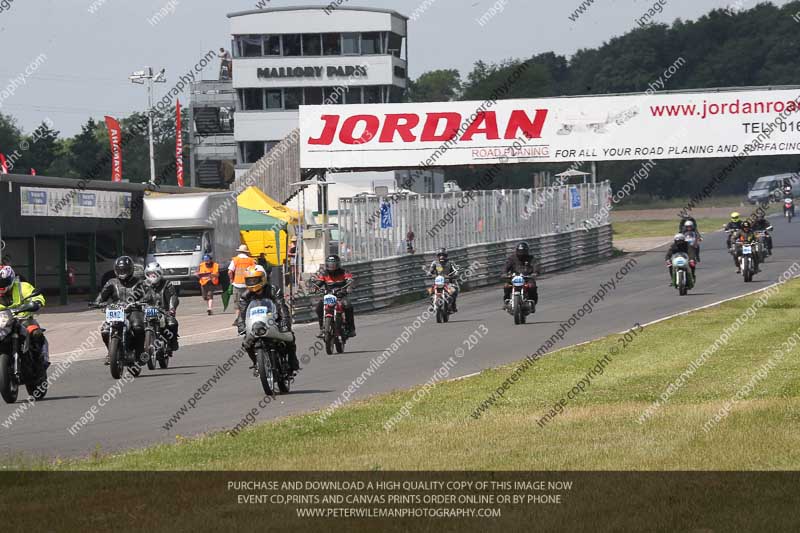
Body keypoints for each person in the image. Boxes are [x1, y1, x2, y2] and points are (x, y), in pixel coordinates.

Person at [236, 265, 299, 375]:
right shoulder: (245, 296)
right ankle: (256, 363)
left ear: (263, 278)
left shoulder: (274, 290)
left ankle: (292, 361)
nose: (252, 282)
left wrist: (285, 320)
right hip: (256, 323)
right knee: (247, 343)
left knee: (290, 337)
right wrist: (241, 325)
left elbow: (281, 306)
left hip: (274, 320)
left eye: (255, 280)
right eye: (249, 280)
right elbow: (242, 313)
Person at [92, 256, 148, 365]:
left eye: (125, 270)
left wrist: (142, 302)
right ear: (116, 270)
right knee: (105, 330)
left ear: (131, 269)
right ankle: (111, 353)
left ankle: (140, 353)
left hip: (133, 310)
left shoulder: (139, 282)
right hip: (116, 310)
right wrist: (98, 302)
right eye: (120, 270)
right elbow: (101, 296)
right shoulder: (112, 282)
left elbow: (147, 295)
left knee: (138, 327)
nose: (123, 272)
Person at [0, 265, 48, 370]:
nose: (1, 285)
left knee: (36, 333)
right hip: (3, 322)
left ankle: (41, 360)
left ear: (11, 278)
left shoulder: (23, 286)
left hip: (23, 319)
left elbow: (36, 296)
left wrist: (37, 302)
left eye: (3, 282)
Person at [313, 255, 355, 338]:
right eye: (329, 264)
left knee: (348, 306)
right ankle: (322, 329)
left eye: (334, 264)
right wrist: (314, 288)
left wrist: (349, 287)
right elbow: (319, 282)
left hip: (341, 296)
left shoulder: (344, 272)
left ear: (338, 264)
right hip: (328, 295)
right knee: (318, 308)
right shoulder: (324, 273)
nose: (331, 266)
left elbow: (350, 280)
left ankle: (350, 329)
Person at [143, 262, 180, 352]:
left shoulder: (167, 284)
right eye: (150, 274)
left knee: (172, 323)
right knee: (136, 326)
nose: (153, 276)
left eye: (155, 273)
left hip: (163, 311)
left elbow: (173, 296)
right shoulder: (143, 285)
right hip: (146, 310)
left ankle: (173, 341)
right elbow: (135, 297)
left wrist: (171, 308)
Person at [503, 242, 538, 308]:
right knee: (506, 286)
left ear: (527, 251)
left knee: (532, 286)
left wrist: (535, 272)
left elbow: (536, 266)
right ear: (516, 250)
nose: (521, 253)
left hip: (527, 278)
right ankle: (506, 301)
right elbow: (506, 266)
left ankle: (532, 302)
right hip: (514, 277)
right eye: (520, 251)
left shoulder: (531, 258)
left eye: (523, 251)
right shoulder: (512, 258)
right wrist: (504, 273)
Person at [228, 245, 256, 326]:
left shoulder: (235, 260)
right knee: (248, 301)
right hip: (248, 285)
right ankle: (247, 318)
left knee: (237, 303)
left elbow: (230, 271)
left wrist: (231, 279)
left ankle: (238, 319)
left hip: (237, 284)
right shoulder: (251, 260)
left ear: (239, 251)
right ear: (246, 252)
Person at [428, 248, 460, 312]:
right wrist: (430, 273)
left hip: (449, 282)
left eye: (443, 255)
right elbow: (430, 270)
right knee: (430, 291)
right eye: (440, 255)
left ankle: (453, 305)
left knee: (454, 290)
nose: (441, 257)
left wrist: (456, 274)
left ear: (446, 256)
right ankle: (432, 304)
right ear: (438, 256)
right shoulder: (435, 263)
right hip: (438, 281)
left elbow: (456, 269)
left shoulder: (450, 262)